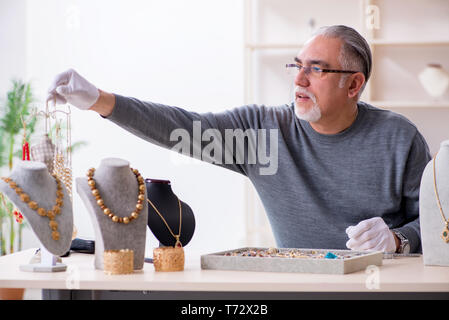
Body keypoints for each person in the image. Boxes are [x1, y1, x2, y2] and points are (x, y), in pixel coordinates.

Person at [47, 25, 431, 253]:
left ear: (354, 84)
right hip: (295, 290)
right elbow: (179, 128)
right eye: (297, 66)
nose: (298, 79)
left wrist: (399, 239)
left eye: (315, 69)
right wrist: (100, 100)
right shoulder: (264, 135)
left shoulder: (398, 139)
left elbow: (439, 223)